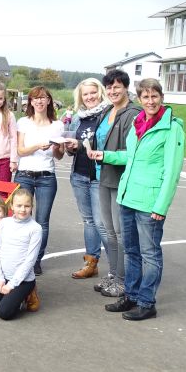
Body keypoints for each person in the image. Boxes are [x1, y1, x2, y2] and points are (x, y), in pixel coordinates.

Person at [90, 78, 185, 321]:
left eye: (155, 96)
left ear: (161, 97)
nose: (150, 101)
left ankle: (146, 302)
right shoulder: (137, 123)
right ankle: (131, 296)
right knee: (131, 251)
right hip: (128, 197)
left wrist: (161, 206)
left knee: (149, 253)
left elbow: (172, 172)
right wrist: (105, 155)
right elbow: (130, 158)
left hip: (150, 202)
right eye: (146, 97)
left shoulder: (172, 128)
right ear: (140, 99)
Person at [88, 69, 142, 297]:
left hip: (121, 179)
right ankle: (113, 274)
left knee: (120, 233)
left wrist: (105, 156)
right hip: (103, 176)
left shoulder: (134, 113)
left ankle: (123, 280)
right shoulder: (108, 110)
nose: (112, 91)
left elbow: (133, 152)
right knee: (108, 231)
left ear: (126, 87)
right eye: (109, 87)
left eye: (117, 86)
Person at [14, 86, 65, 275]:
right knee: (20, 216)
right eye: (35, 98)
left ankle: (36, 260)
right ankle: (20, 257)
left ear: (49, 101)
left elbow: (58, 156)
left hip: (46, 176)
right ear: (31, 102)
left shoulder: (57, 125)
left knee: (42, 221)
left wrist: (59, 148)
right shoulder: (23, 122)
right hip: (24, 174)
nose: (39, 101)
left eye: (43, 98)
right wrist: (37, 145)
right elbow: (20, 150)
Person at [63, 78, 110, 281]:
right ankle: (91, 262)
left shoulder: (108, 114)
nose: (89, 97)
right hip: (79, 175)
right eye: (85, 94)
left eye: (93, 92)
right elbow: (72, 151)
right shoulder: (77, 118)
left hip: (99, 176)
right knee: (89, 221)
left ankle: (118, 268)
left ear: (100, 92)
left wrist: (81, 145)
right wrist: (70, 147)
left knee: (102, 223)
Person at [0, 188, 42, 320]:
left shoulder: (35, 228)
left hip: (23, 280)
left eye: (27, 206)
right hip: (4, 276)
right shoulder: (4, 223)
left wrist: (12, 285)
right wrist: (0, 278)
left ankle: (28, 294)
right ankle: (10, 296)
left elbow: (30, 261)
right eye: (19, 205)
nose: (23, 209)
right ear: (12, 206)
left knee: (4, 313)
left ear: (31, 207)